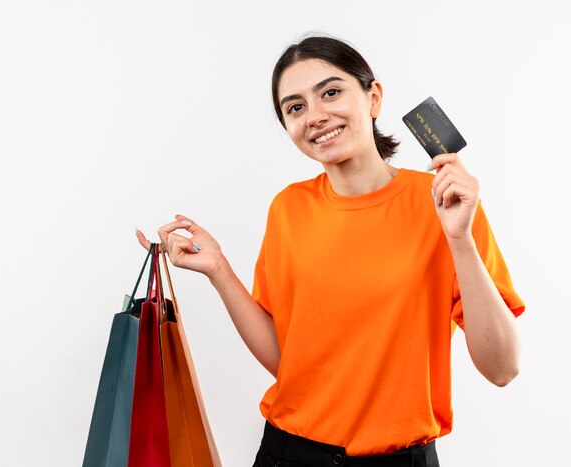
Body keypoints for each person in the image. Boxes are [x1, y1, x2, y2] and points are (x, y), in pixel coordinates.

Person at [136, 33, 525, 467]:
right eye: (296, 107)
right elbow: (290, 364)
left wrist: (460, 240)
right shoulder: (288, 208)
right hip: (288, 453)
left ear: (373, 97)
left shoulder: (444, 203)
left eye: (332, 92)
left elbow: (503, 369)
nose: (316, 116)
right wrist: (218, 269)